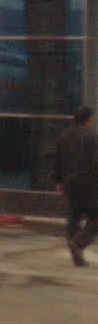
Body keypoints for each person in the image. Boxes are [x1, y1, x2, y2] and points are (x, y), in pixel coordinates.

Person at [53, 105, 98, 267]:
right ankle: (79, 244)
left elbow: (57, 161)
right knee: (95, 218)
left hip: (69, 184)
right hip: (88, 184)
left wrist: (58, 182)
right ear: (87, 119)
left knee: (73, 218)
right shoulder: (91, 136)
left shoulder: (63, 136)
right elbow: (95, 162)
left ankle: (76, 255)